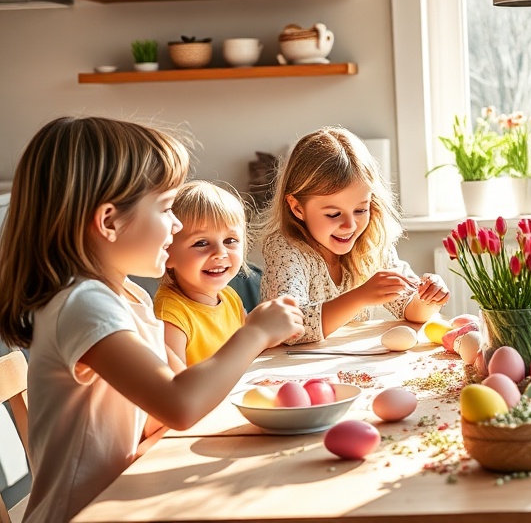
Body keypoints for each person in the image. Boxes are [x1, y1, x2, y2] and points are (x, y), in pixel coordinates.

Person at [0, 116, 304, 523]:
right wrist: (255, 333)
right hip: (86, 514)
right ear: (109, 221)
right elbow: (178, 403)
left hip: (126, 496)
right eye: (165, 208)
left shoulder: (126, 296)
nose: (176, 224)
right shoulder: (82, 305)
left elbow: (157, 412)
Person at [257, 126, 449, 344]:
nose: (350, 225)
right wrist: (360, 296)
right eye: (333, 214)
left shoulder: (370, 243)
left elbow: (410, 309)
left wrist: (428, 300)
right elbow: (288, 327)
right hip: (291, 369)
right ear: (297, 208)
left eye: (360, 210)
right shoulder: (285, 248)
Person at [155, 180, 249, 366]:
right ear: (168, 254)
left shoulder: (230, 298)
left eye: (230, 240)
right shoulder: (170, 315)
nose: (220, 253)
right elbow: (176, 387)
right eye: (201, 243)